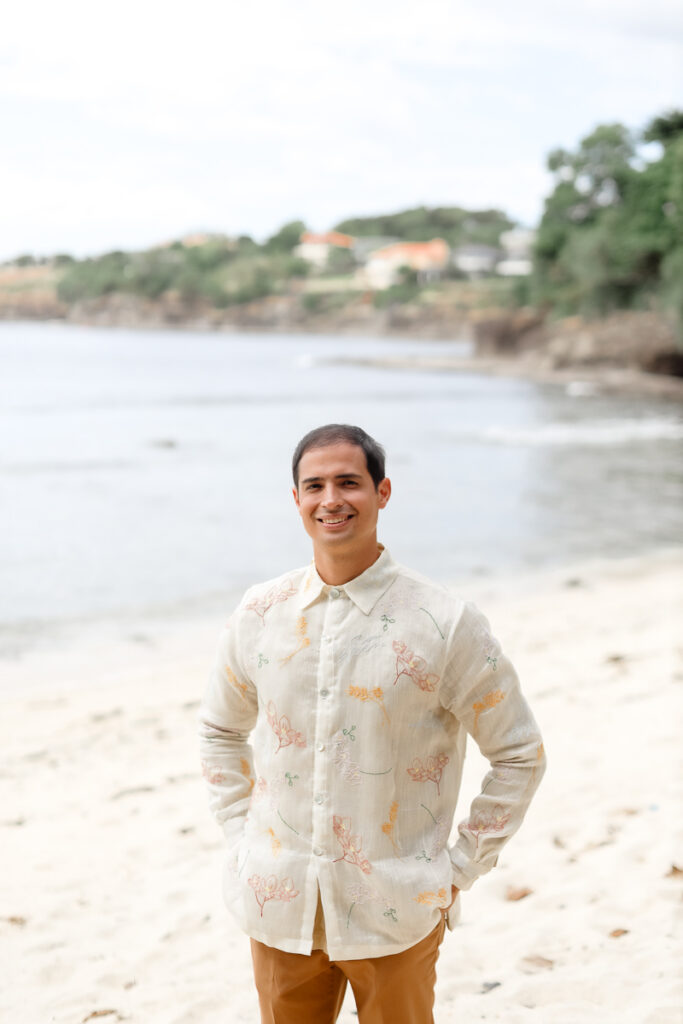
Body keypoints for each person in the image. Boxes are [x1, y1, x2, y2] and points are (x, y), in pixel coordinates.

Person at [199, 423, 546, 1024]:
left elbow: (519, 754)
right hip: (279, 907)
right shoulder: (260, 613)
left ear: (382, 492)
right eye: (315, 486)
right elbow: (219, 732)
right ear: (297, 500)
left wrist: (461, 867)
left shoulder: (444, 622)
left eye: (348, 482)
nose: (331, 499)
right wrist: (243, 839)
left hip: (395, 912)